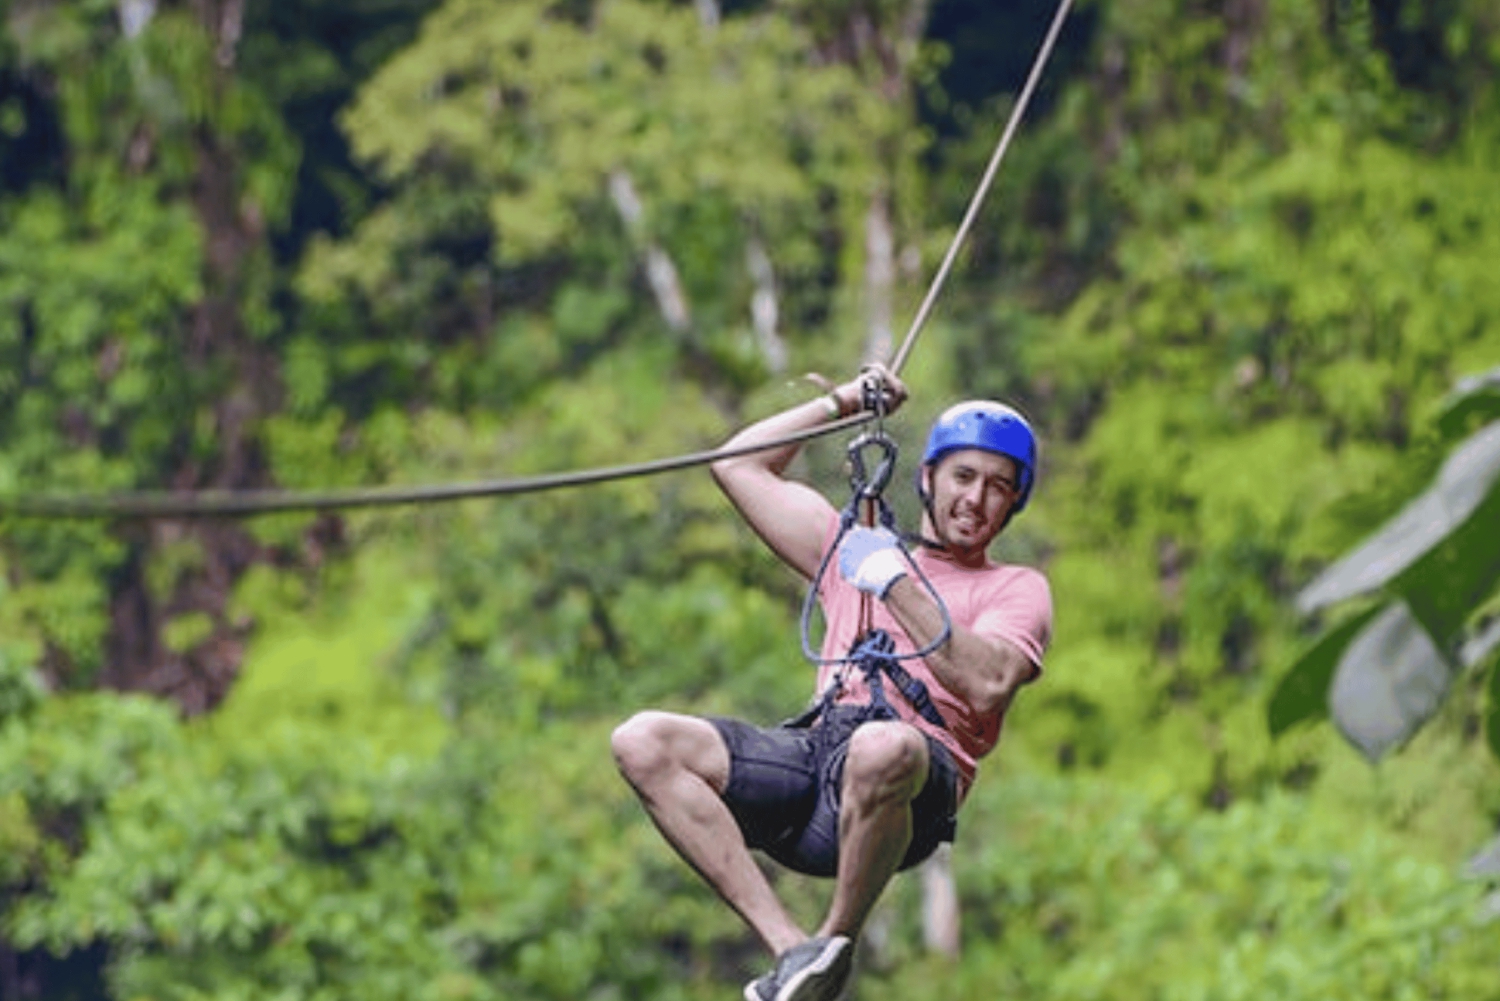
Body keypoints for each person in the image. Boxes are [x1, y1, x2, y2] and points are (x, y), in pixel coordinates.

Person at [611, 365, 1052, 1001]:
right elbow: (736, 465)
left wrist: (893, 581)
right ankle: (795, 951)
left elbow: (988, 684)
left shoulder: (1014, 589)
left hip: (911, 788)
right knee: (643, 742)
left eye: (998, 488)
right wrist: (843, 402)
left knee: (885, 746)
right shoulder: (850, 546)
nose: (975, 499)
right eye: (963, 476)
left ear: (1013, 504)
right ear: (927, 477)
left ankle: (836, 942)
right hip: (818, 764)